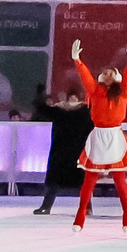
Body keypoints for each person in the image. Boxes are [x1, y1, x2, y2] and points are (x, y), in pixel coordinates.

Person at [68, 38, 127, 230]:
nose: (107, 75)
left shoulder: (122, 93)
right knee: (89, 181)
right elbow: (85, 78)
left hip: (114, 137)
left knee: (120, 182)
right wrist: (77, 61)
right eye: (105, 73)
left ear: (116, 77)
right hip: (98, 136)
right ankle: (80, 217)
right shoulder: (94, 91)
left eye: (111, 73)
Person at [32, 77, 92, 215]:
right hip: (64, 150)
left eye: (74, 97)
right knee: (59, 180)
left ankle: (86, 207)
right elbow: (40, 108)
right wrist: (40, 94)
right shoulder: (67, 111)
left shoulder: (85, 111)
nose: (72, 100)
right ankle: (47, 206)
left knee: (82, 181)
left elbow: (40, 107)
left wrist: (39, 95)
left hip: (73, 150)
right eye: (71, 97)